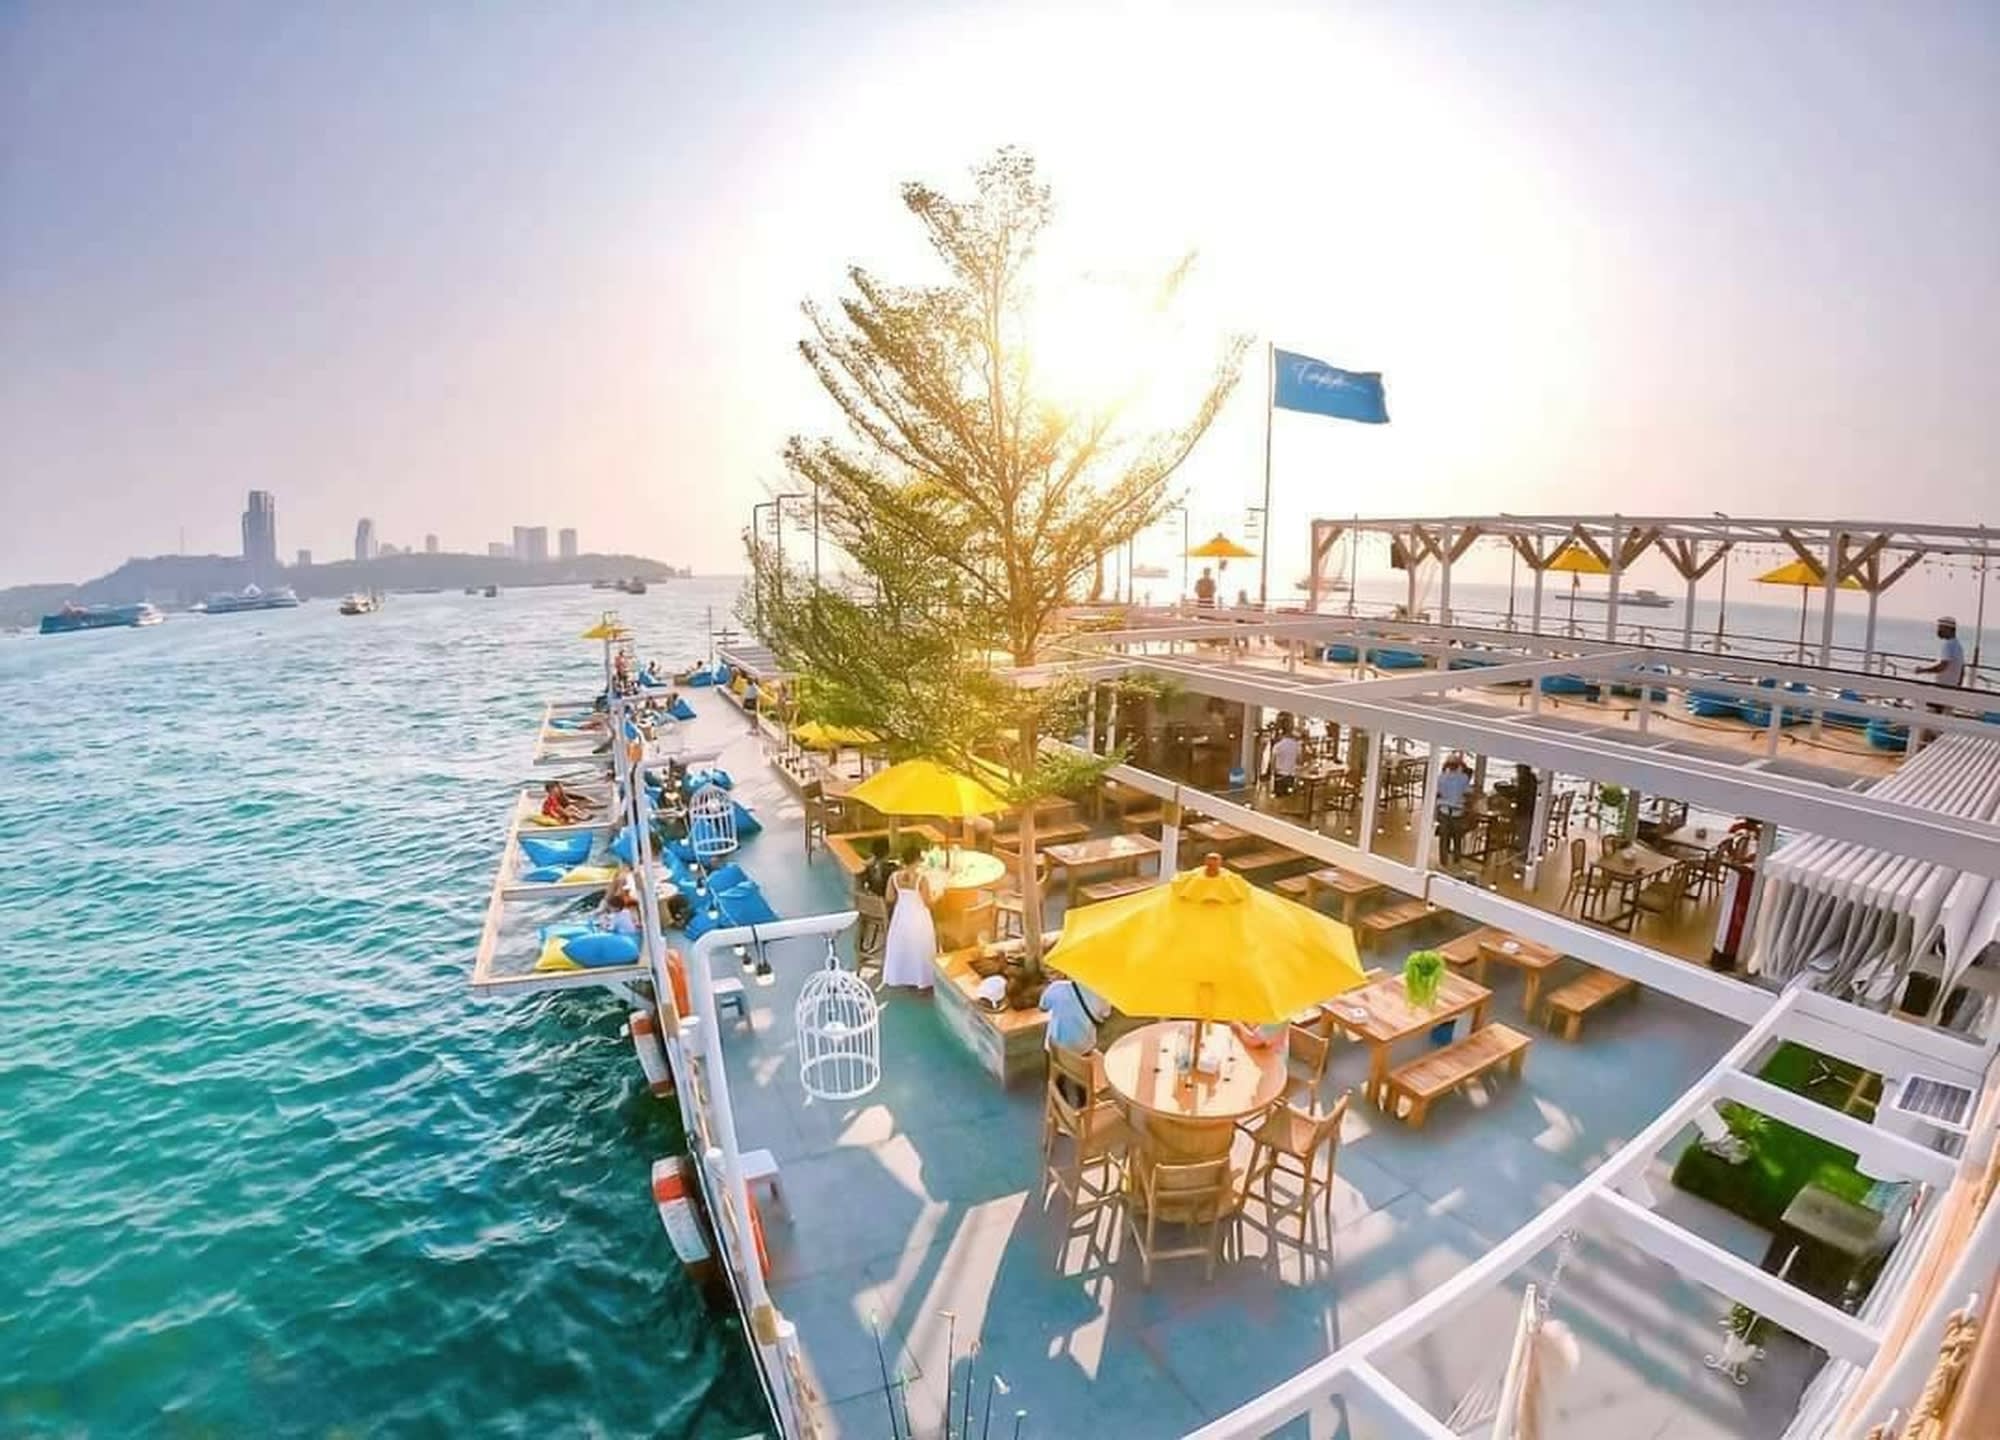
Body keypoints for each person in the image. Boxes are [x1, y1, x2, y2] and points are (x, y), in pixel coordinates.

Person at [1040, 978, 1112, 1104]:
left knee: (1056, 1081)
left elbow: (1043, 1006)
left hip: (1055, 1047)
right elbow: (1105, 1014)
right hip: (1083, 1048)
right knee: (1083, 1085)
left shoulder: (1057, 988)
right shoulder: (1102, 996)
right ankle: (1082, 1105)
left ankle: (1060, 1102)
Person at [880, 837, 938, 990]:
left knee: (903, 946)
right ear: (917, 860)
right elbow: (928, 902)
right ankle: (922, 980)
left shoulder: (894, 877)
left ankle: (904, 976)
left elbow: (889, 898)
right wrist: (937, 895)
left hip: (901, 917)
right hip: (919, 918)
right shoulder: (921, 879)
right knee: (921, 948)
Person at [1913, 616, 1967, 751]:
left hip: (1941, 691)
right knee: (1939, 723)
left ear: (1948, 629)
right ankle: (1933, 749)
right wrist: (1957, 688)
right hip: (1950, 690)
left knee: (1928, 721)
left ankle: (1921, 750)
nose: (1937, 630)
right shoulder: (1958, 646)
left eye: (1940, 628)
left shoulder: (1947, 645)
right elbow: (1962, 670)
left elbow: (1943, 666)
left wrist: (1922, 670)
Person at [1435, 752, 1474, 866]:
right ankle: (1456, 861)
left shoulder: (1441, 778)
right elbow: (1468, 791)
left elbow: (1438, 793)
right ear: (1458, 766)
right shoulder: (1463, 778)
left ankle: (1443, 862)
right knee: (1457, 839)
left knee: (1444, 839)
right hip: (1457, 811)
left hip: (1444, 810)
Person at [1269, 726, 1302, 801]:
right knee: (1289, 797)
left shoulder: (1277, 745)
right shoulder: (1297, 745)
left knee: (1279, 796)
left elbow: (1273, 760)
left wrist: (1272, 771)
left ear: (1282, 735)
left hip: (1279, 773)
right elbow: (1299, 760)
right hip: (1291, 773)